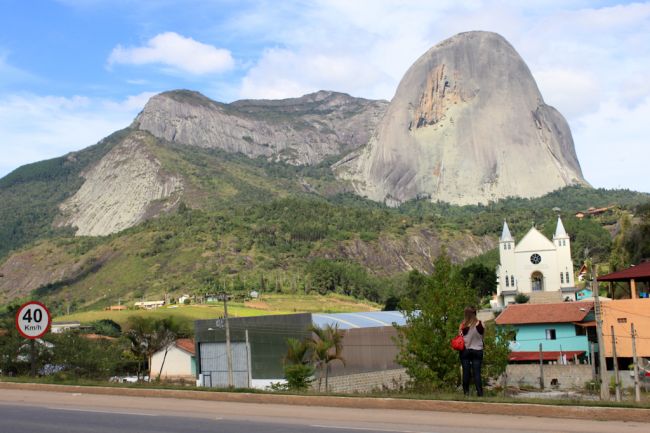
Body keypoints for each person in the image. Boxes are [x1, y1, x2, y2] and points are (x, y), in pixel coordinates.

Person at [459, 306, 484, 396]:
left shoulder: (463, 325)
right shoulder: (481, 324)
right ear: (475, 313)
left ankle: (466, 393)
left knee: (466, 372)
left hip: (465, 351)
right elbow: (482, 337)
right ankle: (480, 393)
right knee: (477, 372)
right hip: (478, 350)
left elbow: (460, 338)